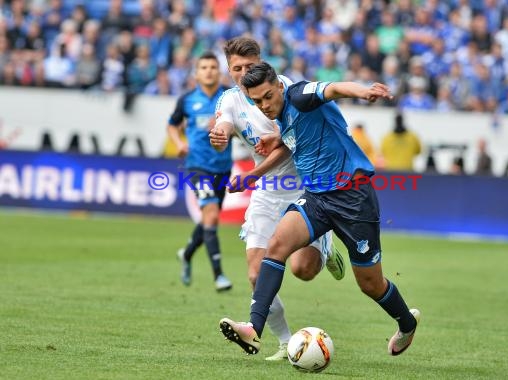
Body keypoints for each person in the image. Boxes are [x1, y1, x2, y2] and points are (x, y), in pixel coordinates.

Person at [218, 62, 420, 357]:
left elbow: (334, 88)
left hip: (353, 197)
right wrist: (276, 140)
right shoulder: (280, 115)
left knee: (370, 284)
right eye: (256, 101)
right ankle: (254, 328)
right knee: (276, 245)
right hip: (316, 198)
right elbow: (297, 138)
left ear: (278, 86)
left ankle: (406, 322)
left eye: (266, 97)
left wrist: (363, 92)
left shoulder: (300, 95)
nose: (263, 106)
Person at [209, 37, 346, 361]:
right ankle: (285, 342)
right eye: (236, 69)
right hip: (268, 193)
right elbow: (223, 128)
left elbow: (290, 142)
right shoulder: (229, 100)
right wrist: (219, 137)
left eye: (249, 66)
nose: (243, 74)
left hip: (304, 186)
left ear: (261, 63)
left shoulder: (282, 88)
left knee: (303, 269)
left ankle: (325, 247)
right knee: (256, 274)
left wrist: (252, 175)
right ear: (229, 71)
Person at [167, 51, 233, 292]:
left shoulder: (228, 98)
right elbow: (172, 125)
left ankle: (186, 253)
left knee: (209, 218)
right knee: (212, 214)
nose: (209, 71)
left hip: (223, 167)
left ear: (219, 71)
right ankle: (219, 276)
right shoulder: (187, 100)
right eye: (203, 67)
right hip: (196, 166)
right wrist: (179, 143)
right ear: (196, 73)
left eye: (213, 67)